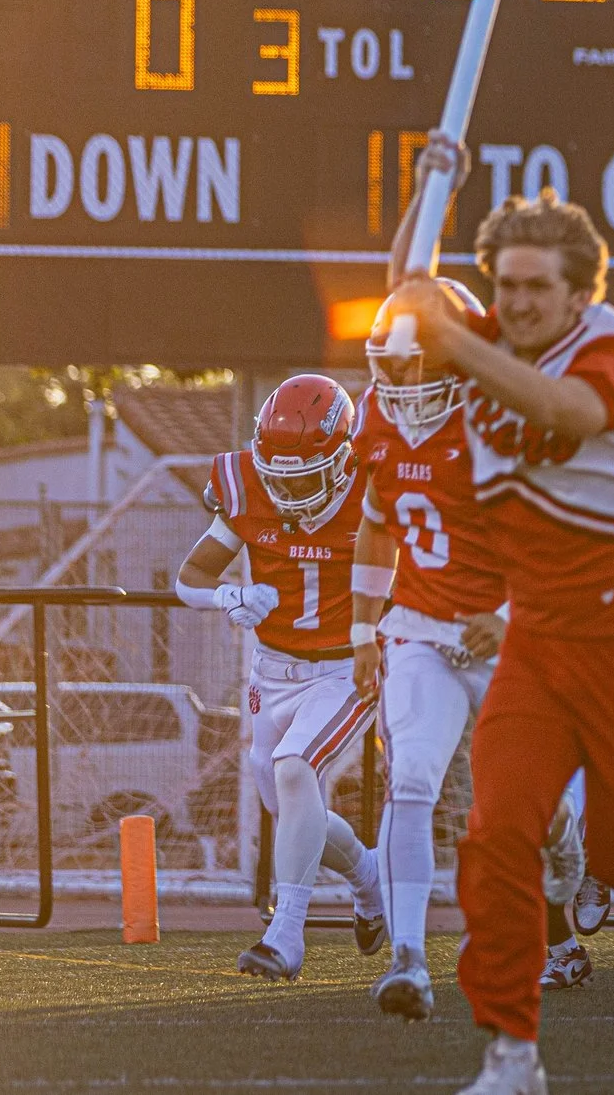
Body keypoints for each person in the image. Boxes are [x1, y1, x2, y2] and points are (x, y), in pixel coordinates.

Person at [382, 188, 614, 1095]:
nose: (518, 302)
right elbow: (408, 291)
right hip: (532, 643)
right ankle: (511, 1052)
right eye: (505, 285)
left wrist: (456, 343)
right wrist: (432, 189)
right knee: (495, 834)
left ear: (580, 293)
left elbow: (568, 413)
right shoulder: (487, 337)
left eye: (538, 286)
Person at [175, 376, 386, 982]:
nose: (288, 491)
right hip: (270, 672)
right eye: (278, 476)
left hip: (345, 668)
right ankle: (367, 876)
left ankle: (285, 934)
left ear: (342, 460)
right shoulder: (246, 486)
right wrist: (231, 596)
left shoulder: (373, 490)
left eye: (303, 476)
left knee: (296, 770)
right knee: (288, 802)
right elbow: (190, 577)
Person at [348, 283, 509, 1019]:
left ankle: (566, 863)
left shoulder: (501, 416)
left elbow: (556, 532)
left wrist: (509, 612)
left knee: (537, 810)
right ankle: (409, 958)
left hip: (506, 632)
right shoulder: (376, 414)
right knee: (410, 780)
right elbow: (377, 524)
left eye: (417, 365)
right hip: (419, 626)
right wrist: (363, 630)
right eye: (392, 365)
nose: (402, 382)